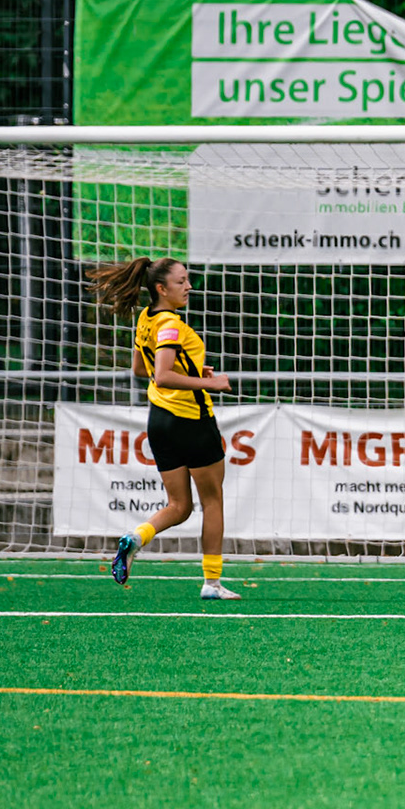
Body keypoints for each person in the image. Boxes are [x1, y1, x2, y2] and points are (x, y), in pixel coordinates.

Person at [87, 257, 239, 601]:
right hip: (190, 419)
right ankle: (212, 583)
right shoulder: (170, 322)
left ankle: (136, 538)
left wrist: (194, 369)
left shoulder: (147, 319)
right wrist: (209, 382)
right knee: (212, 501)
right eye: (181, 281)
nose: (188, 287)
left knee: (179, 505)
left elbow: (142, 369)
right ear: (161, 288)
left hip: (159, 420)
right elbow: (163, 375)